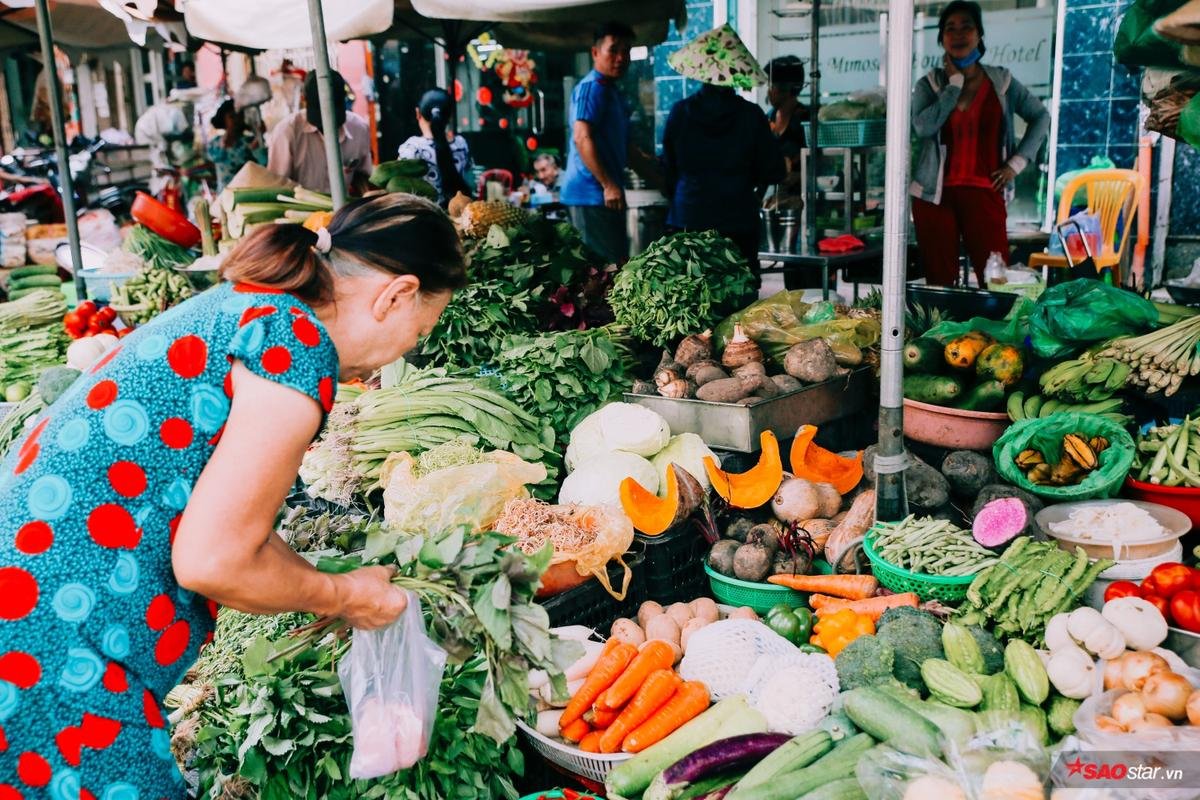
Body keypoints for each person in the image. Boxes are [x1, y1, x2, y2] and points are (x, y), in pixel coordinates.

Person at [0, 193, 466, 794]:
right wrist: (343, 595)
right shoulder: (295, 343)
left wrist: (324, 583)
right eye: (419, 331)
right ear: (396, 295)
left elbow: (232, 525)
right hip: (49, 643)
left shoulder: (256, 309)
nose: (405, 352)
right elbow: (214, 560)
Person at [910, 0, 1050, 286]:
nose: (958, 34)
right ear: (941, 38)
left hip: (986, 190)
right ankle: (944, 332)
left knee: (996, 277)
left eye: (966, 27)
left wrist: (1017, 163)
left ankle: (992, 332)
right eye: (950, 28)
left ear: (979, 35)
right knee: (940, 281)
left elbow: (1040, 116)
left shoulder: (1002, 82)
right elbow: (923, 127)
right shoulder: (930, 84)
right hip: (934, 197)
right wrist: (954, 86)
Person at [661, 24, 786, 277]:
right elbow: (774, 170)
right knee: (739, 299)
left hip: (688, 218)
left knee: (689, 295)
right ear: (736, 73)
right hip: (737, 220)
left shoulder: (680, 113)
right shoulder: (751, 116)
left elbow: (667, 170)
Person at [561, 21, 657, 264]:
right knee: (604, 273)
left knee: (616, 266)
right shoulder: (591, 88)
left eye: (626, 51)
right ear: (595, 53)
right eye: (613, 50)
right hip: (589, 195)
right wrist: (608, 185)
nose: (620, 57)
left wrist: (660, 179)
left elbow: (626, 149)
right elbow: (581, 137)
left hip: (605, 196)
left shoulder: (612, 92)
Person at [267, 71, 373, 195]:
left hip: (345, 209)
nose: (327, 122)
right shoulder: (286, 133)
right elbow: (277, 186)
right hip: (300, 211)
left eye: (334, 111)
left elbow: (362, 175)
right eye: (321, 113)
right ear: (303, 99)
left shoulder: (359, 129)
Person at [397, 89, 473, 206]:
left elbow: (398, 188)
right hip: (460, 216)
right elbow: (470, 179)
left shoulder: (412, 148)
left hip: (427, 219)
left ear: (418, 113)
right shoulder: (461, 144)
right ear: (450, 116)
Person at [207, 98, 267, 192]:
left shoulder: (249, 141)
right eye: (232, 117)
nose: (236, 120)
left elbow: (264, 163)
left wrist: (259, 138)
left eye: (239, 116)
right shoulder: (214, 143)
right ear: (223, 120)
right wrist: (224, 144)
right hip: (224, 193)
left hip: (247, 191)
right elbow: (215, 158)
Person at [765, 55, 808, 168]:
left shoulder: (805, 120)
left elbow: (817, 162)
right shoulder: (767, 118)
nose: (769, 91)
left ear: (788, 88)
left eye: (772, 85)